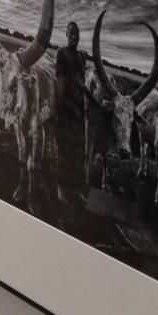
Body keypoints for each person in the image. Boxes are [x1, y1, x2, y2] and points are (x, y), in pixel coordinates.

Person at [54, 19, 88, 203]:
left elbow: (83, 84)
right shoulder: (61, 53)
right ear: (66, 35)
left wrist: (93, 103)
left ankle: (74, 187)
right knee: (64, 150)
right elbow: (60, 82)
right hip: (66, 109)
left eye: (77, 34)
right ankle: (61, 187)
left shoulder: (82, 57)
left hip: (79, 111)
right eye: (71, 33)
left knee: (77, 151)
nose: (74, 37)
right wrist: (58, 109)